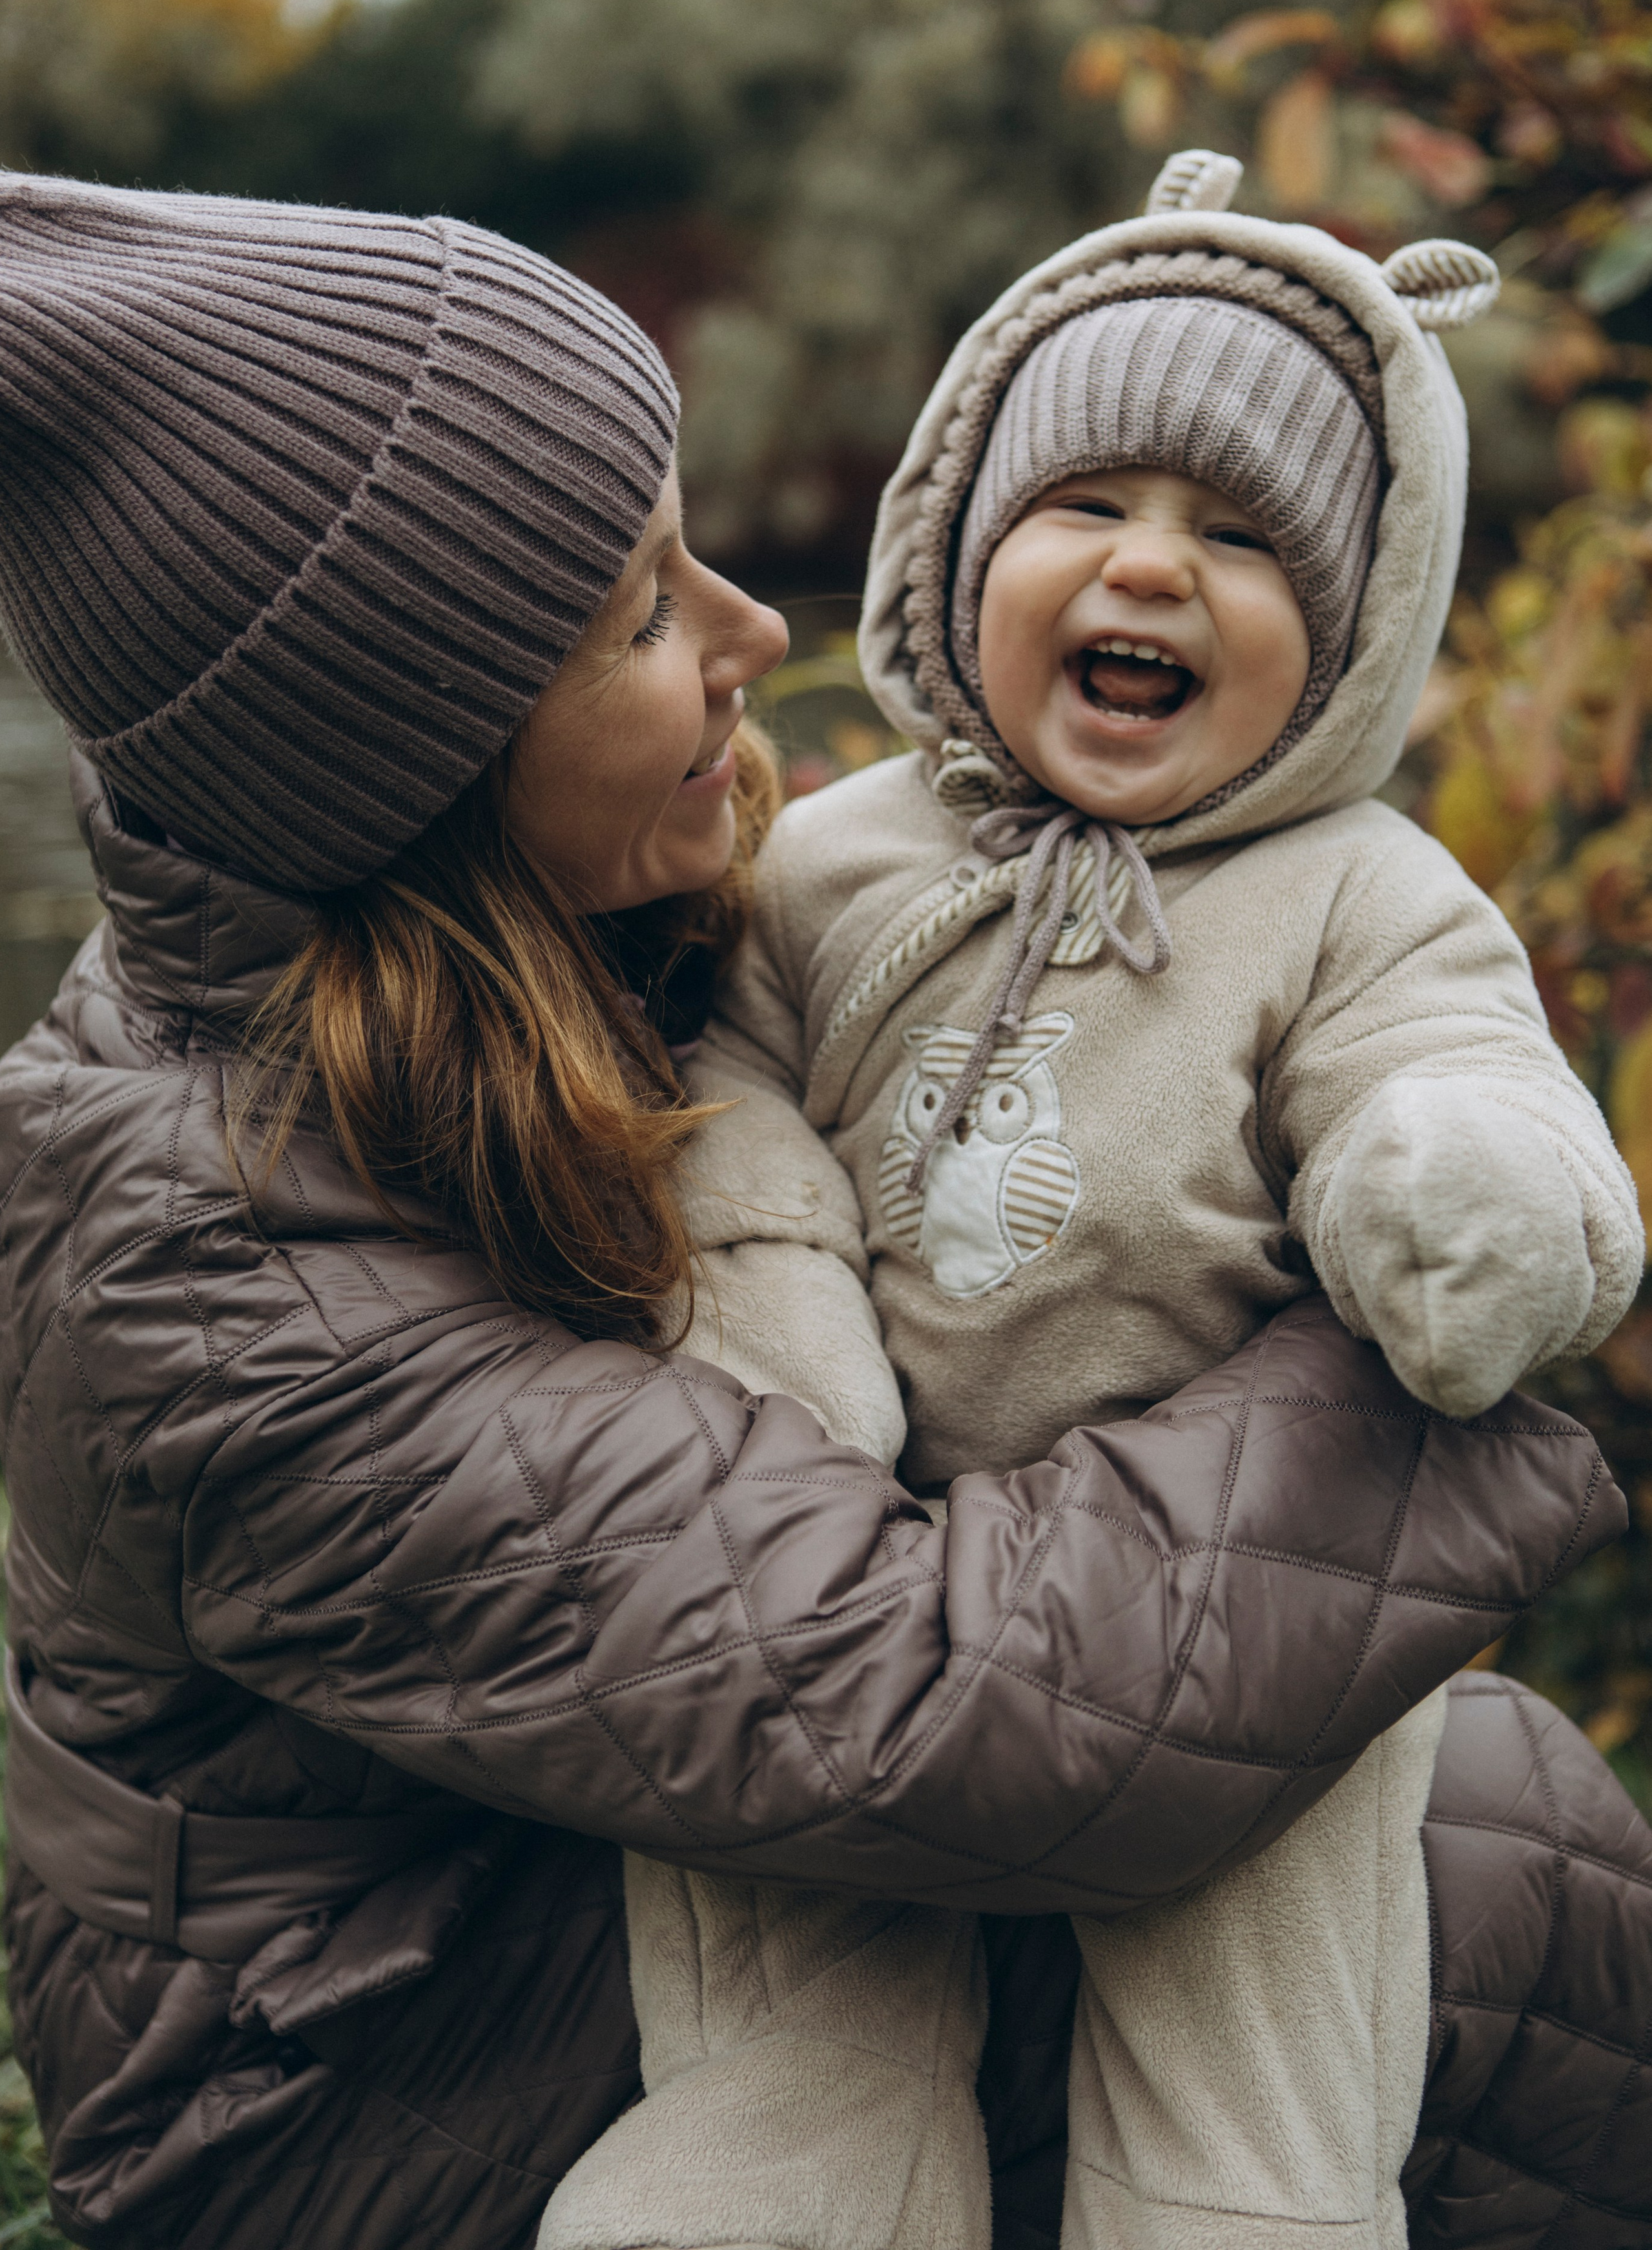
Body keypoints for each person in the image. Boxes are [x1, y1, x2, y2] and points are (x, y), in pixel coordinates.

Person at [0, 168, 1640, 2250]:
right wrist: (1426, 1388)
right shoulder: (216, 1267)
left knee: (1440, 1805)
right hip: (349, 2098)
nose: (759, 634)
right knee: (1480, 1870)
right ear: (426, 760)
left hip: (589, 1864)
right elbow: (926, 1716)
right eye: (646, 612)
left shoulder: (542, 944)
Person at [541, 153, 1652, 2250]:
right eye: (1088, 510)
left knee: (1258, 2101)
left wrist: (1465, 1179)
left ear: (1345, 636)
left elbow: (1461, 1069)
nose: (1154, 573)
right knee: (792, 2033)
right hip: (843, 1572)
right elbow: (724, 1080)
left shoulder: (1357, 894)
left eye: (1243, 540)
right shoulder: (832, 857)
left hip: (1241, 1632)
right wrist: (771, 1309)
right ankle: (786, 2188)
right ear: (960, 550)